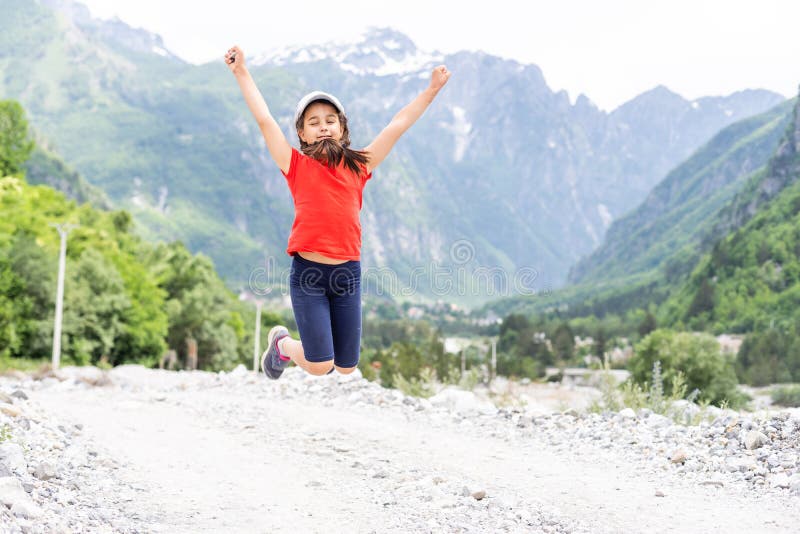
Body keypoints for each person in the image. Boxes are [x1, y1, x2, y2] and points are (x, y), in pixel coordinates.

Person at [225, 45, 451, 379]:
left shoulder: (359, 165)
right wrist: (241, 71)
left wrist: (430, 91)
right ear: (302, 133)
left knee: (345, 367)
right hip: (309, 276)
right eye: (313, 122)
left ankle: (304, 350)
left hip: (347, 275)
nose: (324, 127)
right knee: (319, 365)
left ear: (342, 129)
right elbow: (264, 119)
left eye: (331, 121)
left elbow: (397, 126)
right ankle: (281, 345)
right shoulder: (295, 165)